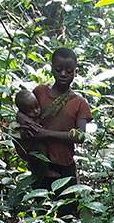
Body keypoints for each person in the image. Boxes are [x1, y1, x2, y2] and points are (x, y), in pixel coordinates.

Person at [17, 47, 91, 202]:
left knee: (67, 212)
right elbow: (22, 109)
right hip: (39, 162)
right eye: (58, 69)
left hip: (64, 166)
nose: (63, 74)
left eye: (69, 71)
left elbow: (81, 135)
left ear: (75, 72)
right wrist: (24, 121)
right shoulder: (40, 91)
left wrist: (46, 133)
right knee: (41, 211)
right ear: (51, 68)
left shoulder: (79, 103)